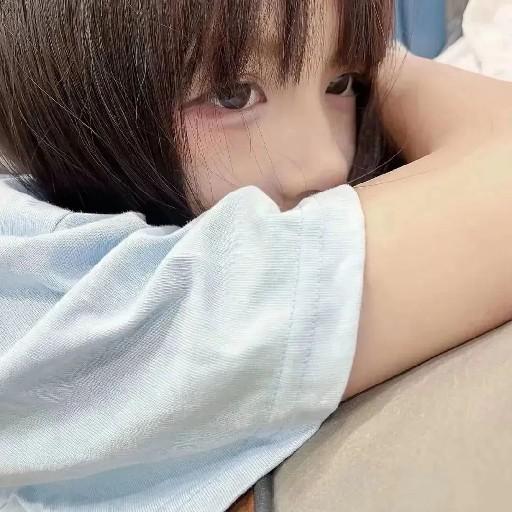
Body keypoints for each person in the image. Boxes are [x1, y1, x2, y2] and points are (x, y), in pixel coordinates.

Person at [0, 1, 511, 511]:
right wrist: (369, 49)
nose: (328, 165)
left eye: (342, 84)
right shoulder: (73, 297)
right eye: (232, 95)